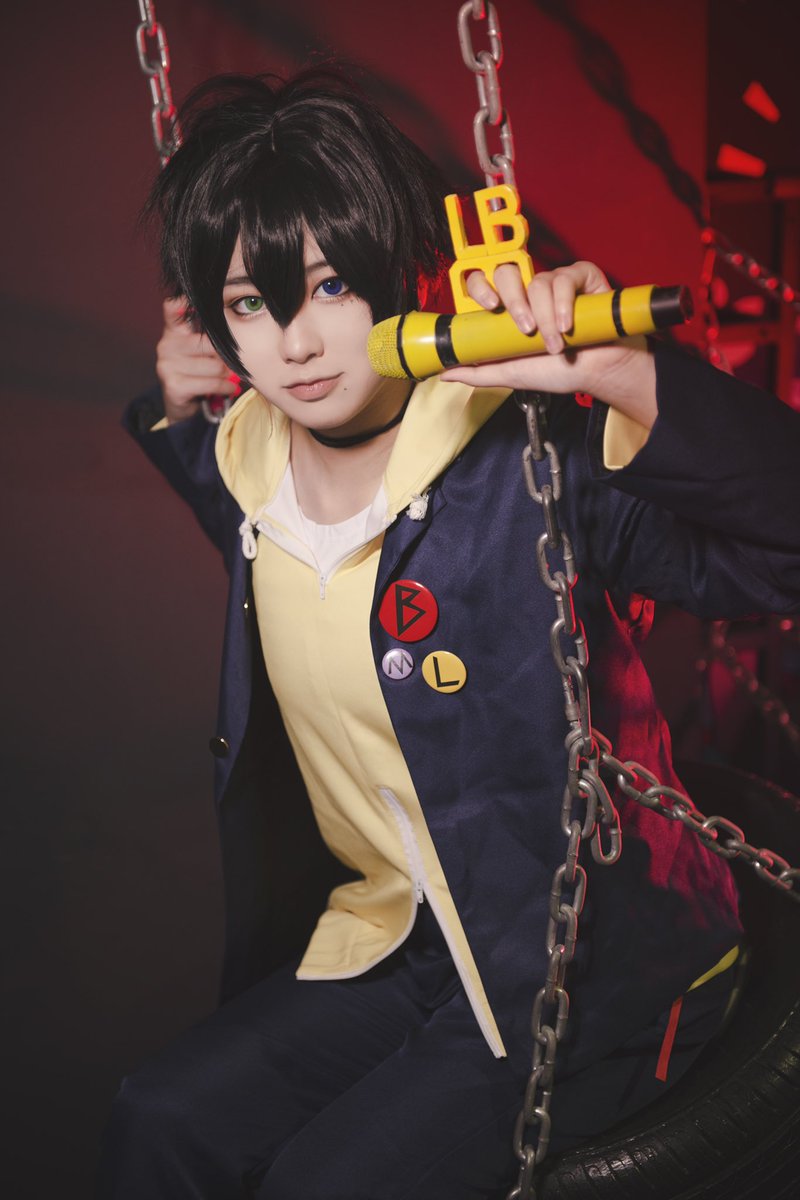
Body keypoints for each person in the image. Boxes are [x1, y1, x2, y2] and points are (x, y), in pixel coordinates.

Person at [98, 69, 800, 1199]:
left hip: (588, 961)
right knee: (158, 1119)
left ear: (398, 271)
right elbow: (233, 490)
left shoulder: (530, 463)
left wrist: (622, 373)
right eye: (250, 304)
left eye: (330, 286)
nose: (295, 343)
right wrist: (178, 407)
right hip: (404, 934)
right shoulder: (252, 474)